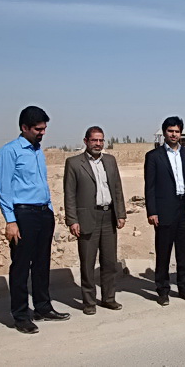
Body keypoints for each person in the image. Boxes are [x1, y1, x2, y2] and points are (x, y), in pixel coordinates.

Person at [0, 106, 70, 334]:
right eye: (38, 129)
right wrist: (11, 221)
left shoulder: (37, 151)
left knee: (41, 263)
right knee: (20, 266)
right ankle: (20, 316)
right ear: (24, 127)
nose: (42, 133)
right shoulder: (9, 152)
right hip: (23, 214)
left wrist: (49, 210)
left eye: (44, 129)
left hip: (43, 213)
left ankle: (43, 307)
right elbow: (4, 189)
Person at [64, 126, 126, 315]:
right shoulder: (74, 163)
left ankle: (109, 298)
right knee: (88, 263)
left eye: (101, 140)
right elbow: (69, 194)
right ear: (86, 141)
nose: (98, 144)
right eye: (94, 140)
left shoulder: (110, 161)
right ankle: (89, 302)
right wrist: (72, 220)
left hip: (108, 217)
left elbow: (117, 188)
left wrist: (121, 214)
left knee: (109, 262)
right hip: (86, 218)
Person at [145, 117, 185, 306]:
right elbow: (150, 186)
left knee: (184, 252)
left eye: (177, 131)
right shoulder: (154, 156)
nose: (174, 134)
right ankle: (162, 291)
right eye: (170, 131)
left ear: (181, 133)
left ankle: (184, 288)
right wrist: (152, 211)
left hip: (184, 209)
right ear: (164, 133)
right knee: (163, 253)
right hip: (164, 210)